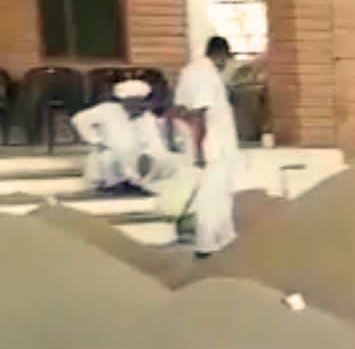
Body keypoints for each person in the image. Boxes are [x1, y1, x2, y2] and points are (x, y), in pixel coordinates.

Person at [171, 36, 244, 259]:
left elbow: (179, 109)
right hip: (212, 143)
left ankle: (224, 237)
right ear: (220, 54)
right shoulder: (204, 73)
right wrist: (200, 145)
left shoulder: (192, 70)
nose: (225, 65)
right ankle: (208, 243)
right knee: (213, 194)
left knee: (219, 192)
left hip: (210, 141)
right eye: (225, 60)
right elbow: (199, 113)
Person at [71, 80, 175, 193]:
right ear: (124, 101)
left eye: (139, 101)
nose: (136, 105)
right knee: (109, 158)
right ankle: (112, 184)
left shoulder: (147, 117)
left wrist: (152, 155)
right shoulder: (107, 109)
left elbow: (154, 141)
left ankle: (137, 182)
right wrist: (95, 140)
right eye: (132, 101)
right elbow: (79, 119)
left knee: (162, 158)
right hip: (110, 155)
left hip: (136, 158)